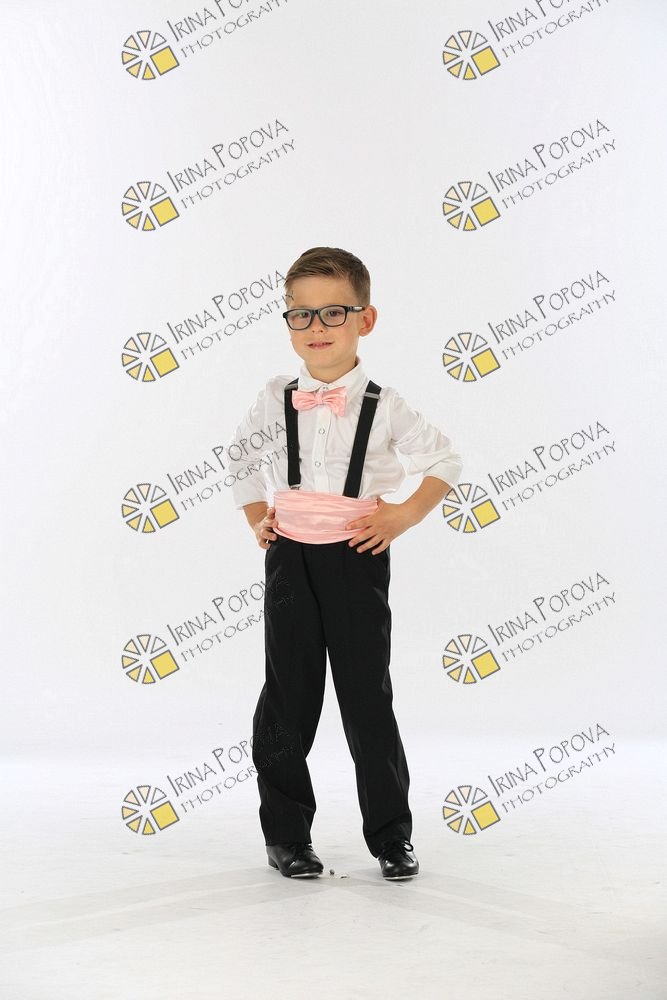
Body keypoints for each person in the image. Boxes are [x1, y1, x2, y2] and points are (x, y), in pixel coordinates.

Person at [227, 247, 463, 880]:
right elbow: (241, 458)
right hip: (289, 560)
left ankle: (391, 836)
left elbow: (445, 460)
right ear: (288, 322)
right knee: (288, 695)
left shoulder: (385, 404)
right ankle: (286, 835)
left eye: (334, 311)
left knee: (366, 696)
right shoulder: (275, 396)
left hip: (358, 557)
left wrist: (402, 515)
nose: (317, 326)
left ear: (366, 319)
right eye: (301, 314)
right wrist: (259, 518)